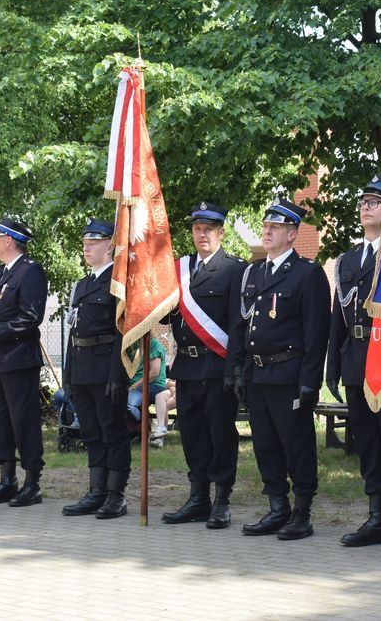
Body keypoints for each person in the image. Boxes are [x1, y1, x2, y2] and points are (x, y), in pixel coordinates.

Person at [228, 197, 330, 541]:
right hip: (258, 375)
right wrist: (239, 369)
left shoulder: (307, 274)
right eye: (265, 225)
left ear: (292, 233)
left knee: (296, 444)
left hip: (289, 374)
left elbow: (317, 335)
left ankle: (302, 512)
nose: (266, 230)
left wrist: (310, 382)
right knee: (266, 445)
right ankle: (277, 507)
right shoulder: (254, 272)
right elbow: (243, 327)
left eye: (275, 226)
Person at [326, 176, 381, 551]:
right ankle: (376, 514)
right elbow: (338, 316)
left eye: (375, 202)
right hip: (356, 359)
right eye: (363, 202)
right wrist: (333, 366)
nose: (366, 207)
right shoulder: (348, 259)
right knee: (366, 439)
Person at [162, 201, 245, 529]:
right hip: (186, 366)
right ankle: (198, 497)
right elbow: (169, 314)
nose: (202, 235)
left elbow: (238, 325)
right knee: (192, 434)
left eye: (208, 229)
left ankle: (222, 499)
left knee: (220, 434)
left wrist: (233, 370)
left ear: (221, 232)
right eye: (197, 229)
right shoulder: (180, 268)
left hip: (216, 364)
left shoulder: (234, 270)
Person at [60, 219, 131, 519]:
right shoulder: (83, 284)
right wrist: (68, 374)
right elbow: (75, 330)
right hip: (82, 369)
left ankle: (116, 495)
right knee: (90, 432)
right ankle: (96, 491)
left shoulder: (118, 282)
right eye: (85, 242)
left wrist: (118, 373)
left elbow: (123, 334)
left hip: (106, 369)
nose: (87, 247)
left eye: (95, 241)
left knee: (112, 432)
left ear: (110, 244)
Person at [0, 217, 49, 508]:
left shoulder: (30, 272)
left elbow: (31, 316)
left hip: (18, 360)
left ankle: (32, 482)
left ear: (9, 240)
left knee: (24, 421)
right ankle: (7, 479)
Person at [126, 335, 168, 428]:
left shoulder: (153, 344)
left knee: (128, 404)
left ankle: (143, 426)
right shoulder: (130, 345)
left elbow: (154, 373)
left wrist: (133, 387)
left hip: (153, 385)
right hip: (134, 387)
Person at [149, 379, 177, 449]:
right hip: (172, 389)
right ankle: (161, 428)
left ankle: (159, 439)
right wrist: (172, 388)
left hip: (185, 390)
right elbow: (167, 382)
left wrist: (172, 386)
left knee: (165, 405)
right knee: (159, 397)